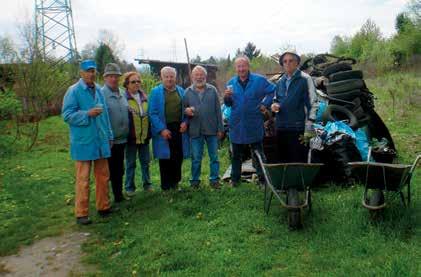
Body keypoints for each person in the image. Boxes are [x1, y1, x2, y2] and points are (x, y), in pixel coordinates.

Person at [62, 60, 114, 225]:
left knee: (103, 176)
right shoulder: (73, 91)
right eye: (88, 71)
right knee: (83, 179)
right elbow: (67, 115)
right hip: (83, 141)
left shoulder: (98, 90)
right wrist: (87, 114)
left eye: (93, 71)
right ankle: (81, 213)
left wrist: (110, 135)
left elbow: (105, 115)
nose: (91, 74)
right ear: (81, 73)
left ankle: (104, 207)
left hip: (100, 140)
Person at [224, 56, 276, 187]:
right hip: (237, 123)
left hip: (254, 121)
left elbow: (272, 90)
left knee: (258, 153)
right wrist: (226, 97)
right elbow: (228, 104)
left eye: (243, 66)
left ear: (248, 66)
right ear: (236, 68)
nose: (241, 69)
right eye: (238, 66)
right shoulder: (231, 83)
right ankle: (235, 181)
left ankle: (263, 180)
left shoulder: (259, 80)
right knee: (236, 155)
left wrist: (265, 103)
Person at [263, 50, 319, 162]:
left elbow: (314, 103)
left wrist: (309, 125)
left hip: (299, 127)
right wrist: (274, 106)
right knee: (284, 159)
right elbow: (276, 99)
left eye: (290, 60)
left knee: (299, 160)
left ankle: (299, 179)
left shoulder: (305, 79)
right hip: (281, 127)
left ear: (297, 62)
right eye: (284, 61)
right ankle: (287, 180)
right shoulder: (280, 82)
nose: (287, 63)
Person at [148, 66, 189, 191]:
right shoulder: (156, 92)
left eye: (172, 76)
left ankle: (175, 183)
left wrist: (185, 122)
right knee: (165, 157)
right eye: (166, 76)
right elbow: (152, 113)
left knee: (178, 156)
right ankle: (166, 186)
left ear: (175, 78)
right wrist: (161, 129)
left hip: (178, 128)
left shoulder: (181, 91)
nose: (169, 79)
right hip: (164, 127)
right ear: (162, 77)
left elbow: (187, 110)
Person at [183, 65, 224, 189]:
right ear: (192, 77)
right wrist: (187, 111)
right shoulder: (187, 92)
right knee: (196, 158)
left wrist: (220, 128)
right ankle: (195, 181)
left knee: (214, 157)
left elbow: (218, 110)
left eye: (201, 75)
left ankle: (214, 180)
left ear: (205, 76)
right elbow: (183, 110)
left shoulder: (212, 90)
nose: (199, 77)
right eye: (197, 75)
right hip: (195, 130)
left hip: (211, 129)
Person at [101, 63, 129, 203]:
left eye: (116, 76)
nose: (113, 79)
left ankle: (118, 195)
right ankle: (108, 198)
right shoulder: (101, 94)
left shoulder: (123, 93)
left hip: (122, 138)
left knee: (119, 168)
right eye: (110, 76)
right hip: (109, 141)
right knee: (110, 170)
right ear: (105, 78)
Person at [124, 71, 153, 195]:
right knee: (130, 163)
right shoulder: (124, 98)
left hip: (144, 136)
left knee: (145, 162)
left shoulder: (145, 98)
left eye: (138, 81)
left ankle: (147, 184)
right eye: (133, 82)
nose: (136, 84)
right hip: (131, 137)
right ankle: (129, 187)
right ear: (126, 84)